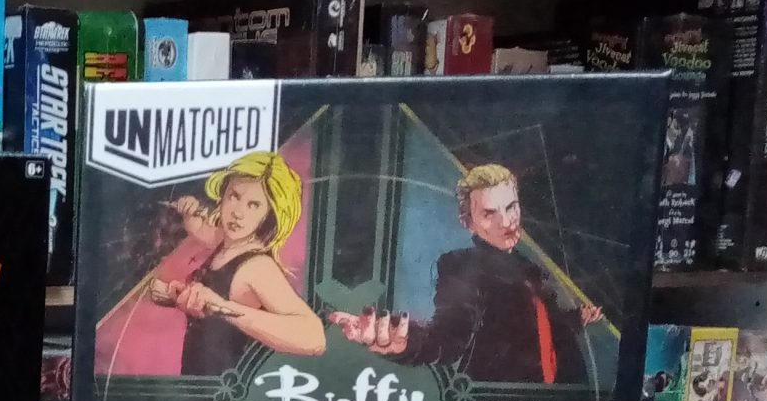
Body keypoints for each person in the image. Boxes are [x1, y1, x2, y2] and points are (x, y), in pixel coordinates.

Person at [329, 164, 602, 385]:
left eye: (511, 207)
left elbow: (538, 327)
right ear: (468, 223)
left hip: (562, 400)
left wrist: (576, 319)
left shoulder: (529, 267)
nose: (506, 221)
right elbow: (447, 337)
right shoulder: (462, 266)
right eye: (489, 214)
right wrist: (403, 343)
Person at [140, 151, 326, 375]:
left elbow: (314, 338)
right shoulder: (227, 242)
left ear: (269, 214)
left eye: (254, 205)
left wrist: (221, 307)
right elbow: (201, 230)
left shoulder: (257, 267)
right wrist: (176, 297)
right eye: (234, 196)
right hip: (198, 381)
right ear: (223, 194)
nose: (238, 213)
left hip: (224, 387)